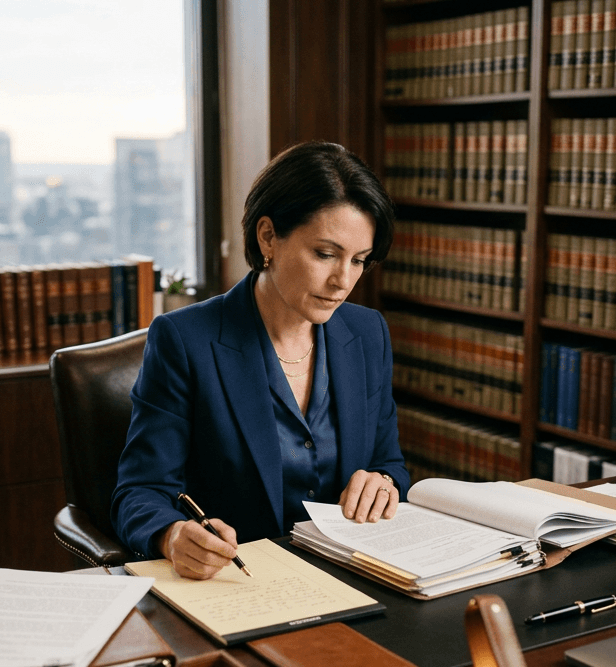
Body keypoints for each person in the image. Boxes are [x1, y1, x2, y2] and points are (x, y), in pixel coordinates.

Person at [111, 141, 410, 580]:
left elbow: (390, 462)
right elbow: (139, 491)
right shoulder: (185, 340)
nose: (343, 280)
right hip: (241, 582)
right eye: (325, 254)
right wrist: (172, 535)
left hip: (353, 573)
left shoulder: (366, 333)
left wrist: (384, 484)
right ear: (268, 235)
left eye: (359, 261)